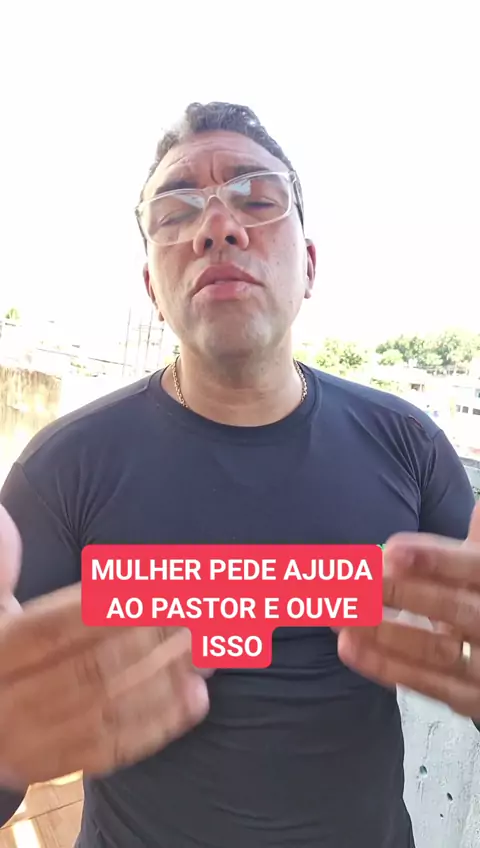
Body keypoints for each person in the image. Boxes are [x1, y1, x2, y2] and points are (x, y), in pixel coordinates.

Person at [0, 101, 479, 848]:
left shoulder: (408, 445)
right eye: (175, 211)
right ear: (153, 288)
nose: (217, 227)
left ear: (309, 266)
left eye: (257, 198)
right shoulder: (63, 469)